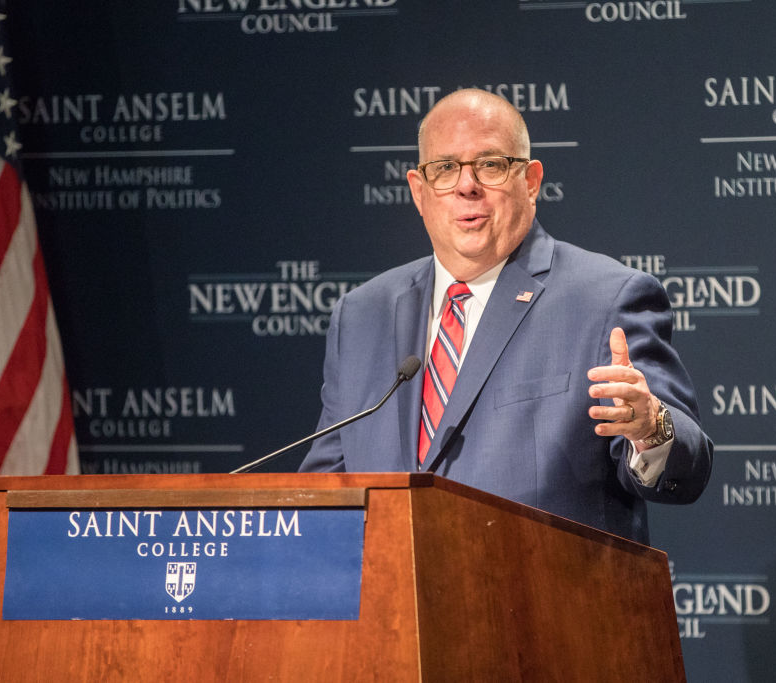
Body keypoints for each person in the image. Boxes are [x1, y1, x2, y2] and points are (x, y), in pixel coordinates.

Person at [299, 88, 712, 544]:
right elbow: (325, 491)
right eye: (445, 169)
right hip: (394, 607)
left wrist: (651, 427)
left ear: (531, 181)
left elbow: (689, 470)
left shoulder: (605, 299)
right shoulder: (361, 316)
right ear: (419, 191)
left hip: (547, 604)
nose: (466, 185)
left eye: (490, 165)